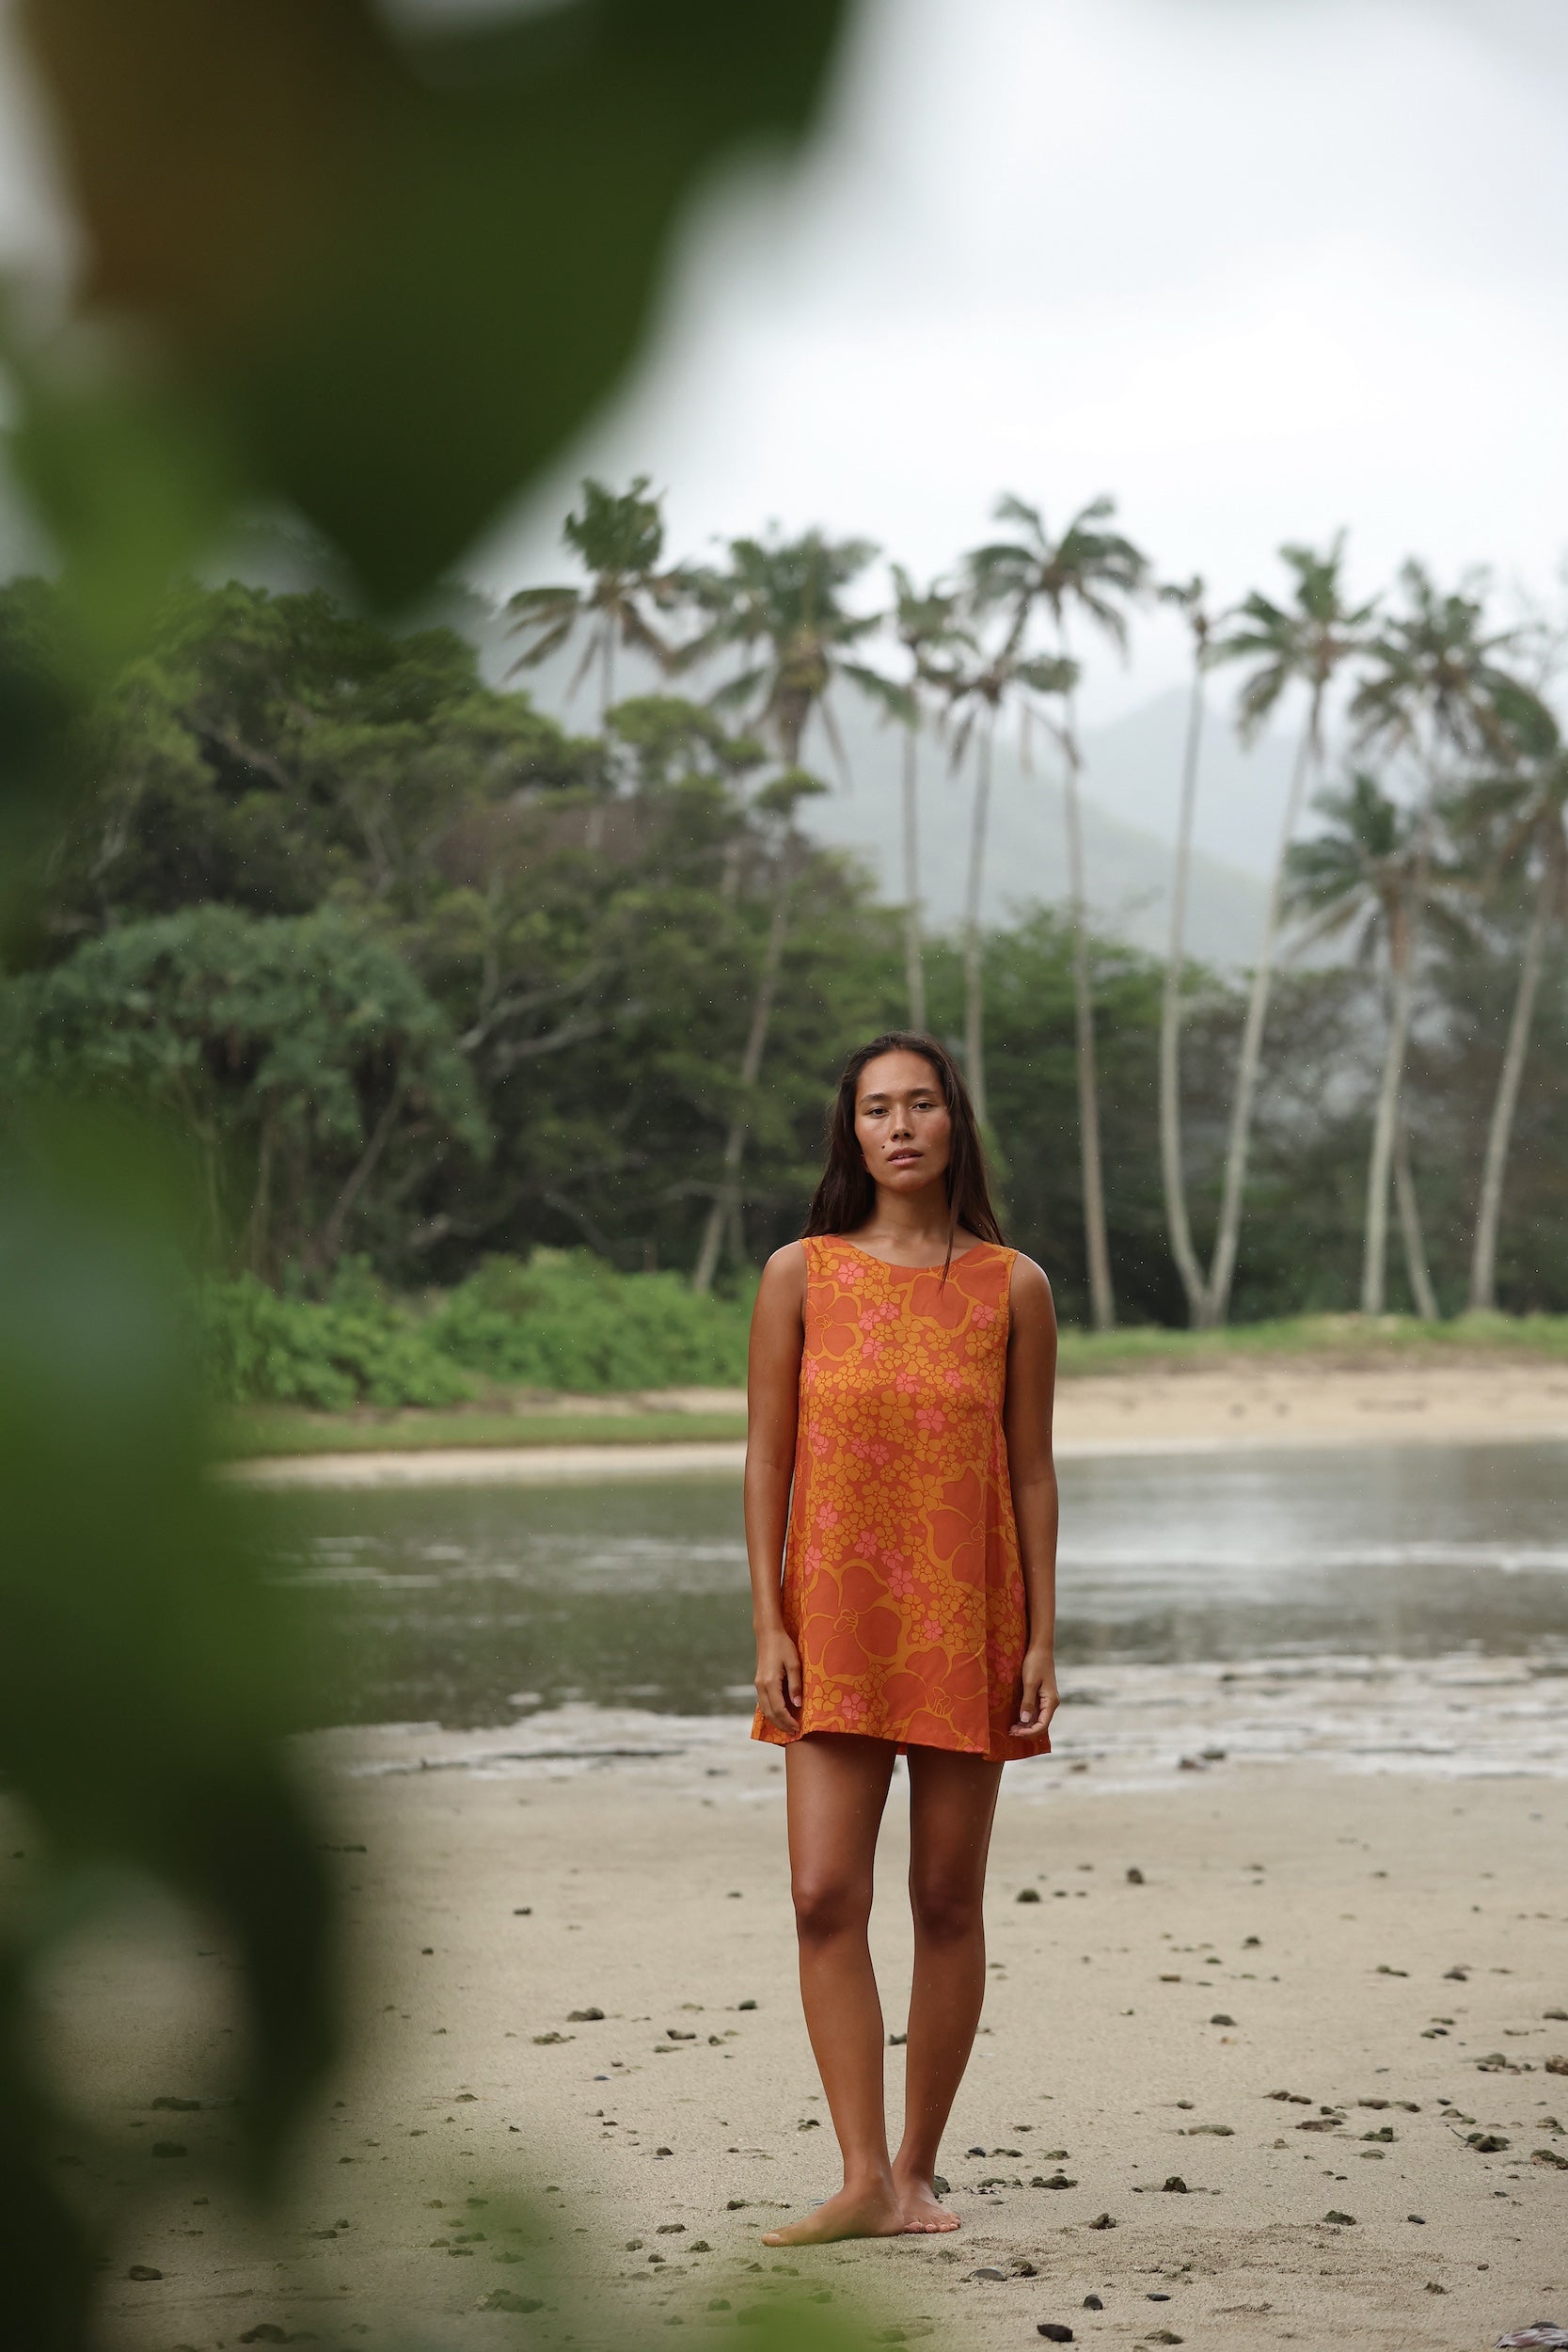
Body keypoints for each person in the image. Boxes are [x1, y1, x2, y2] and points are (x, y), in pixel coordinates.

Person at [745, 1032, 1059, 2245]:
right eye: (877, 1109)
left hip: (968, 1618)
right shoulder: (800, 1275)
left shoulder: (1012, 1287)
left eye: (921, 1104)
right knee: (823, 1894)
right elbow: (768, 1461)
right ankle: (860, 2175)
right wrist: (770, 1620)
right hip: (833, 1622)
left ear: (953, 1123)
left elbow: (1030, 1473)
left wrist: (1041, 1636)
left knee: (944, 1897)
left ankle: (916, 2172)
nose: (901, 1126)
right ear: (852, 1133)